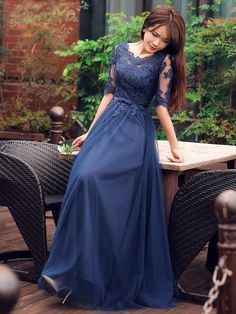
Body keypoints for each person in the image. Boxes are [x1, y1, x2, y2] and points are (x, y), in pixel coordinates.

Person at [38, 5, 186, 310]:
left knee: (96, 183)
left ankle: (89, 274)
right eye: (155, 34)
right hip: (107, 126)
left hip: (134, 133)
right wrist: (90, 132)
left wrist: (174, 145)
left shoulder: (164, 62)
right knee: (81, 178)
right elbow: (108, 93)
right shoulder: (121, 50)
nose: (156, 42)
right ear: (146, 26)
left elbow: (160, 106)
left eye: (164, 40)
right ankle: (71, 273)